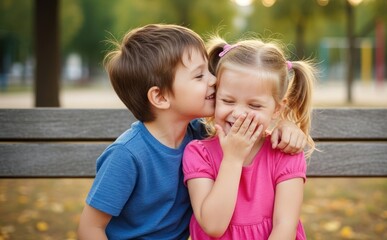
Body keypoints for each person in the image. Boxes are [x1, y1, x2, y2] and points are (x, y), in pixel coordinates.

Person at [77, 24, 308, 239]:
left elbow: (252, 99)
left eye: (209, 70)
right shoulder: (126, 155)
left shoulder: (198, 134)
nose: (214, 80)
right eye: (199, 75)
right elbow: (90, 227)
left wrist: (284, 125)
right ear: (160, 96)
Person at [182, 36, 316, 240]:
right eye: (227, 100)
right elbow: (213, 226)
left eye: (254, 106)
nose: (239, 114)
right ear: (215, 96)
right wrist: (233, 158)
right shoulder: (198, 153)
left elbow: (285, 227)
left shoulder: (285, 154)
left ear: (277, 109)